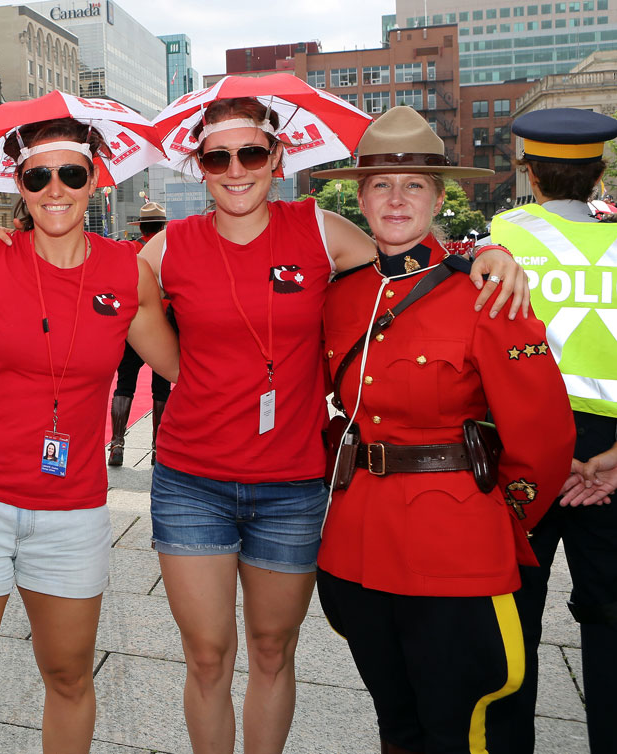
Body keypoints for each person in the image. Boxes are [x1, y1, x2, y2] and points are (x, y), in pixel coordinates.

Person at [134, 97, 531, 754]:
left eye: (251, 153)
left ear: (277, 159)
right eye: (218, 157)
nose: (236, 169)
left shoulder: (319, 230)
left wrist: (488, 254)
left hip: (291, 484)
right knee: (206, 655)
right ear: (200, 167)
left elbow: (411, 262)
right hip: (191, 482)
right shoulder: (171, 244)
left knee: (272, 648)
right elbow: (97, 285)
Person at [0, 116, 181, 753]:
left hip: (71, 509)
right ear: (20, 185)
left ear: (95, 181)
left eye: (71, 173)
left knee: (69, 678)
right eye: (38, 176)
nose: (55, 188)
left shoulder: (128, 273)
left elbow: (185, 368)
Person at [308, 105, 574, 754]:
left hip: (456, 549)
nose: (397, 199)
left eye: (415, 185)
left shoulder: (484, 293)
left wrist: (495, 520)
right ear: (360, 198)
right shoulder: (340, 297)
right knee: (395, 724)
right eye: (381, 185)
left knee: (458, 729)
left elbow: (543, 438)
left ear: (438, 196)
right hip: (356, 546)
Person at [487, 107, 617, 754]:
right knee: (610, 619)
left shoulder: (503, 238)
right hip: (611, 459)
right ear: (599, 172)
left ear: (529, 173)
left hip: (528, 449)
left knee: (514, 620)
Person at [108, 201, 172, 466]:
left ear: (142, 227)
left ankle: (116, 445)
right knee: (161, 388)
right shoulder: (168, 253)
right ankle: (158, 448)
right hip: (163, 327)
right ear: (161, 226)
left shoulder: (128, 252)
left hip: (132, 326)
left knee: (124, 384)